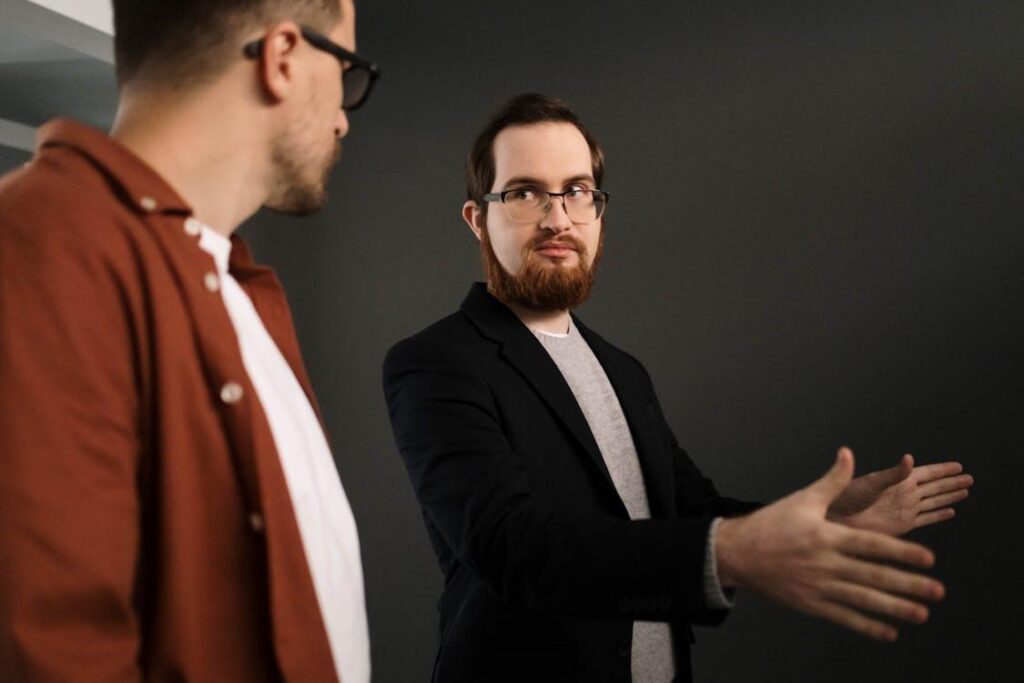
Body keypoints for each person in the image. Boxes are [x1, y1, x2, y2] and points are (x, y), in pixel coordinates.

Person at [382, 93, 974, 683]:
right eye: (524, 193)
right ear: (477, 219)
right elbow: (513, 549)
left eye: (577, 191)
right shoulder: (436, 363)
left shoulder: (622, 370)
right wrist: (731, 552)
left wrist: (830, 519)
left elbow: (693, 512)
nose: (557, 218)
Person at [0, 1, 379, 680]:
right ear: (282, 58)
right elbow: (51, 650)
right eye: (346, 68)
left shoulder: (235, 284)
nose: (345, 116)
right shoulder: (41, 249)